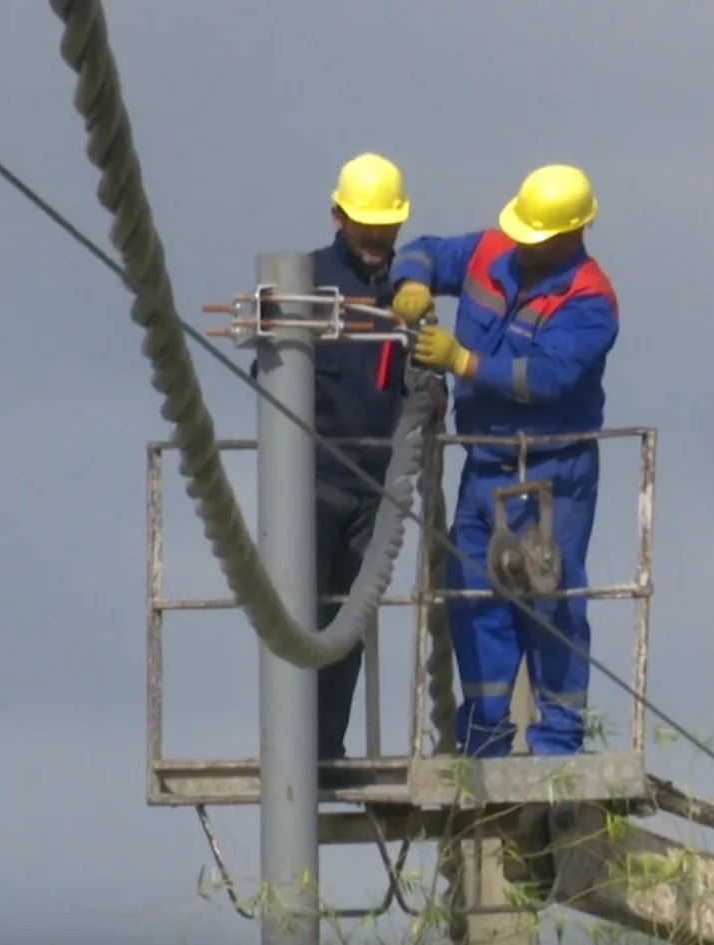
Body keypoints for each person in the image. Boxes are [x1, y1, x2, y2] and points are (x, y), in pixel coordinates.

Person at [388, 164, 619, 758]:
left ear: (572, 235)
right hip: (486, 466)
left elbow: (547, 376)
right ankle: (484, 737)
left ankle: (557, 747)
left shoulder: (590, 301)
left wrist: (461, 360)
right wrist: (411, 283)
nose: (523, 245)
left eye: (536, 238)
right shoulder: (492, 249)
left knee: (551, 600)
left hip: (553, 471)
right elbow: (424, 251)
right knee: (472, 596)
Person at [252, 153, 445, 785]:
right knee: (300, 611)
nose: (377, 239)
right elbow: (270, 378)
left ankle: (326, 750)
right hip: (309, 480)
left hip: (375, 486)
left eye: (386, 227)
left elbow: (424, 373)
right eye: (366, 226)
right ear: (338, 215)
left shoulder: (406, 294)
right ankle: (292, 744)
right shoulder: (306, 282)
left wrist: (431, 392)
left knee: (350, 619)